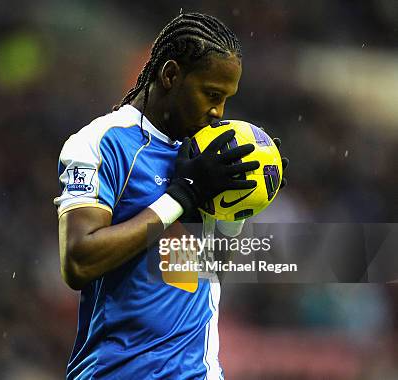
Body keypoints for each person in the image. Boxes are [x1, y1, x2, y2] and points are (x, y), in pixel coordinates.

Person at [54, 12, 286, 379]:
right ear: (171, 75)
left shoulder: (208, 151)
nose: (218, 113)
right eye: (211, 95)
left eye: (226, 99)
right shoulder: (101, 144)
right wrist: (182, 196)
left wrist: (240, 206)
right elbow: (78, 261)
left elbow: (201, 270)